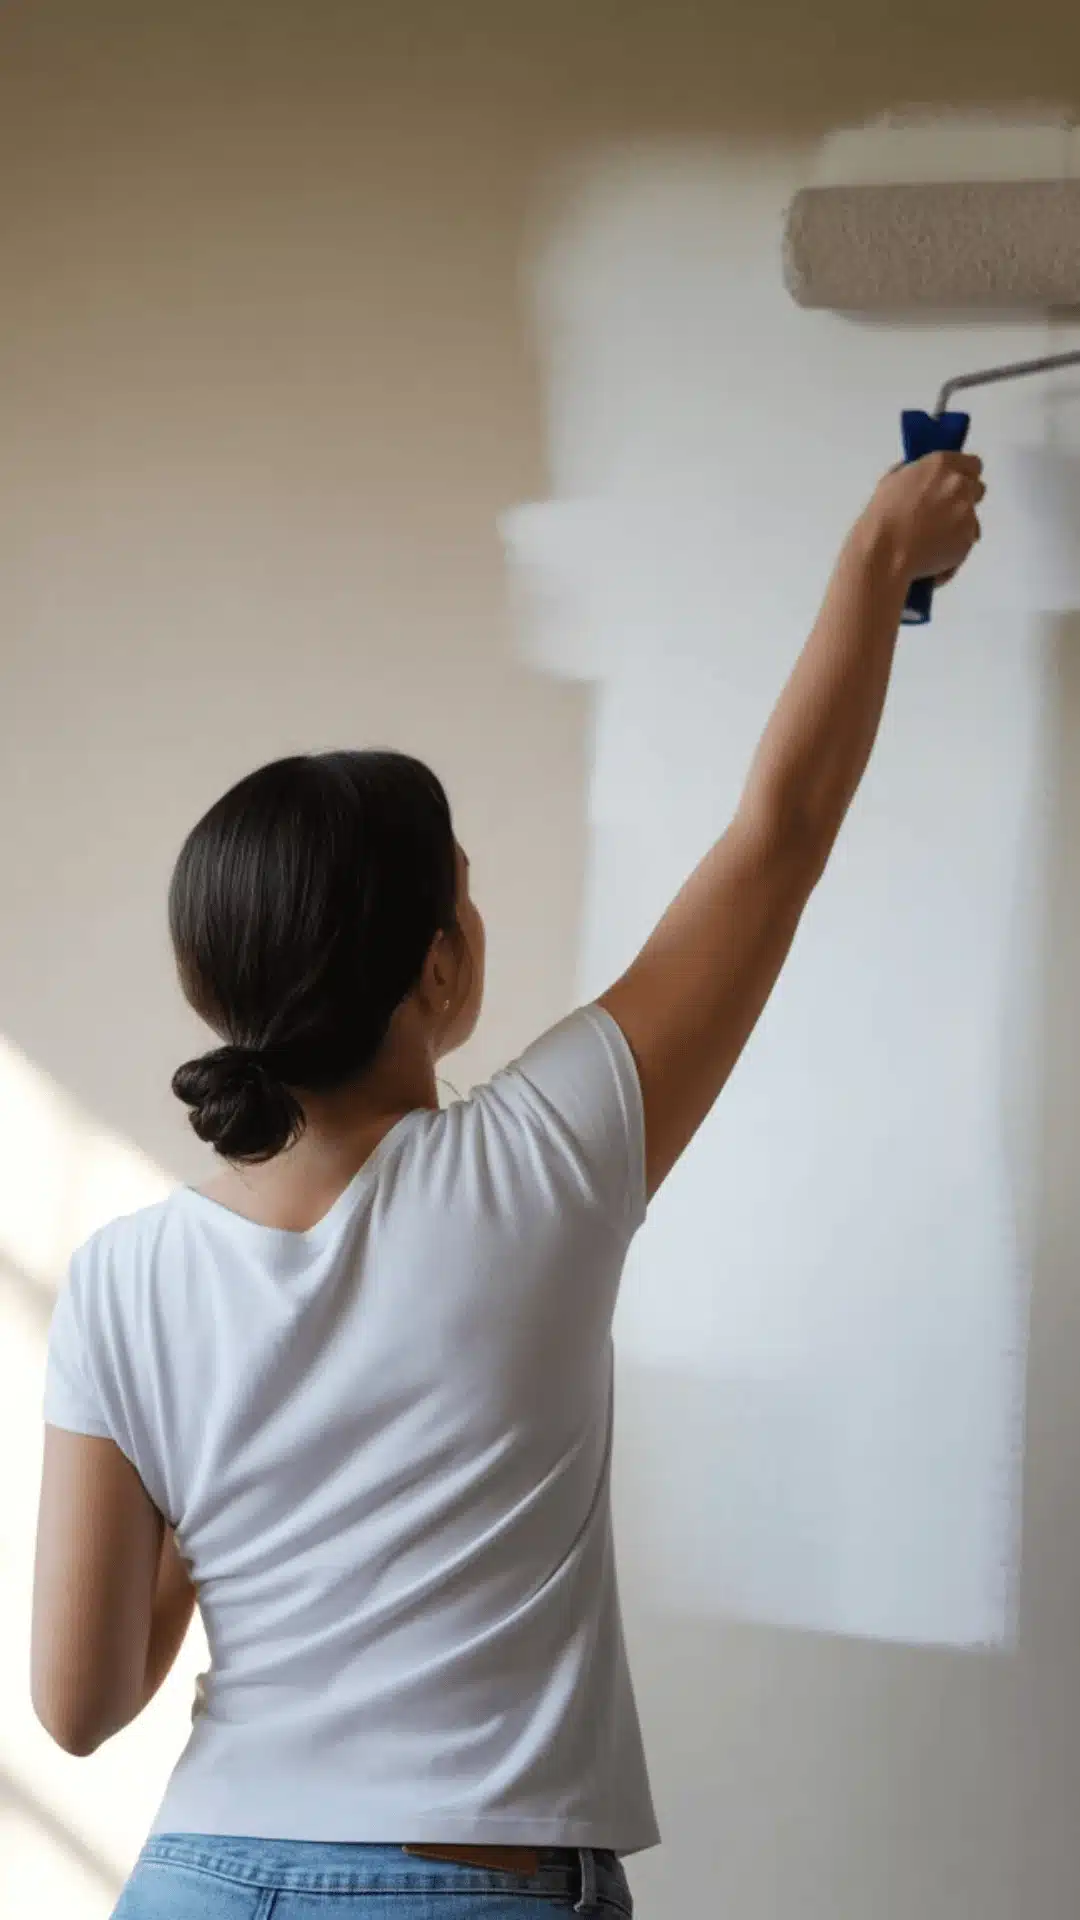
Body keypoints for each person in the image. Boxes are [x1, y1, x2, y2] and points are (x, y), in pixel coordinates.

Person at [32, 449, 983, 1919]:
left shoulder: (119, 1279)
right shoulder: (545, 1162)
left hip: (194, 1880)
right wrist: (879, 550)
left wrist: (213, 1497)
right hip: (465, 1886)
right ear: (439, 968)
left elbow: (80, 1704)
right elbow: (777, 838)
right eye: (463, 892)